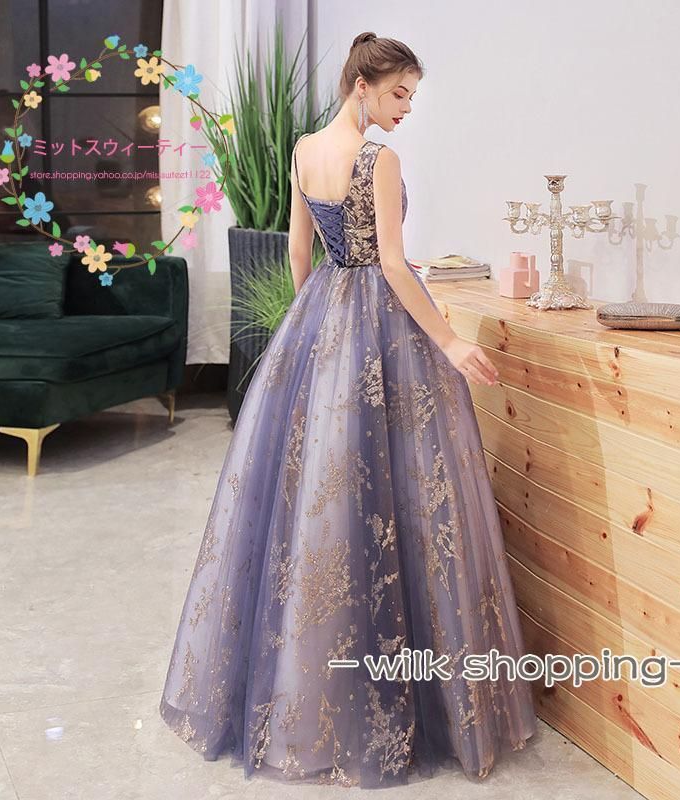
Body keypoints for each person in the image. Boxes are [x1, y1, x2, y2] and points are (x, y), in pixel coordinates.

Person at [160, 30, 538, 789]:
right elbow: (392, 264)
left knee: (317, 495)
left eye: (412, 97)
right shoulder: (378, 160)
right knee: (396, 487)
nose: (405, 108)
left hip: (323, 314)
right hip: (383, 325)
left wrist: (314, 331)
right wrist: (450, 342)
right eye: (398, 93)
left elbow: (299, 253)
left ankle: (301, 690)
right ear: (361, 85)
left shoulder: (303, 151)